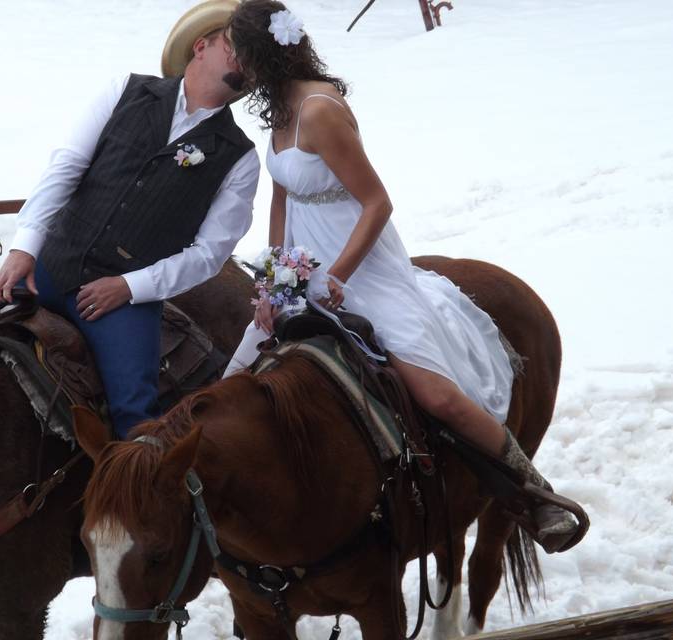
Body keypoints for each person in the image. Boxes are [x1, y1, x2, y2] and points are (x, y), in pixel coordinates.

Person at [223, 0, 579, 548]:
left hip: (362, 270)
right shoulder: (279, 116)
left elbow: (377, 203)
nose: (234, 66)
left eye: (238, 53)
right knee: (234, 379)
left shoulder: (320, 111)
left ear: (261, 54)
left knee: (437, 396)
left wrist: (337, 276)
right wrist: (274, 280)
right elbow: (282, 200)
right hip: (302, 268)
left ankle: (534, 493)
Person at [0, 0, 260, 440]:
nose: (246, 61)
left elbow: (209, 255)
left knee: (135, 423)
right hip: (50, 265)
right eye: (237, 46)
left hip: (124, 301)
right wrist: (25, 247)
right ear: (201, 46)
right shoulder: (126, 90)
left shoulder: (239, 157)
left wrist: (130, 287)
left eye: (256, 57)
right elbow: (66, 167)